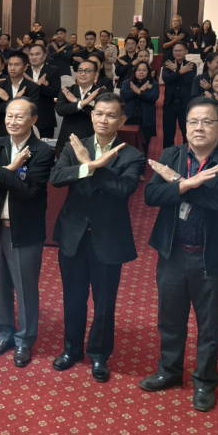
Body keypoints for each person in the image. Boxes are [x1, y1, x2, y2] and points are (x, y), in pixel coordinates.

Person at [140, 96, 218, 412]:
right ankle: (169, 370)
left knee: (209, 326)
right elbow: (151, 195)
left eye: (206, 121)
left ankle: (205, 381)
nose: (199, 127)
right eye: (193, 121)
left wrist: (179, 183)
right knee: (170, 320)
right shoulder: (172, 155)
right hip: (172, 253)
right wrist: (187, 184)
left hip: (210, 258)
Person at [50, 93, 145, 383]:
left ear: (121, 120)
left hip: (108, 237)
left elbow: (123, 189)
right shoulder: (75, 145)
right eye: (99, 114)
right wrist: (87, 165)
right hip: (74, 234)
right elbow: (57, 177)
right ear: (92, 116)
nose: (104, 119)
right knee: (73, 297)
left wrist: (94, 166)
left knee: (104, 302)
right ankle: (71, 349)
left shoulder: (131, 155)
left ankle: (100, 354)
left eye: (111, 115)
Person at [0, 98, 55, 367]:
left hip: (24, 230)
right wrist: (5, 171)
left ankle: (25, 339)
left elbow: (29, 191)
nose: (12, 121)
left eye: (19, 117)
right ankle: (4, 333)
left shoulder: (42, 151)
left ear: (33, 120)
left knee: (25, 288)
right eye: (9, 116)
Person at [55, 60, 106, 156]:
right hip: (67, 141)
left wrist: (76, 101)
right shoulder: (67, 90)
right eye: (80, 70)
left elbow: (99, 113)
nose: (83, 74)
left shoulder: (101, 92)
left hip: (91, 141)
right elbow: (60, 110)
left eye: (87, 71)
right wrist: (82, 103)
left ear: (96, 74)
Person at [161, 42, 198, 147]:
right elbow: (167, 79)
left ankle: (187, 155)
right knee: (168, 134)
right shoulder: (167, 64)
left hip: (185, 104)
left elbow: (187, 80)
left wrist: (175, 70)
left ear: (186, 51)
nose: (177, 53)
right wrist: (180, 71)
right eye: (175, 50)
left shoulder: (191, 65)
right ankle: (168, 155)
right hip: (169, 104)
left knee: (187, 133)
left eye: (180, 50)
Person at [120, 61, 159, 156]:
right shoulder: (127, 82)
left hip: (146, 118)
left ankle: (142, 161)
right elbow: (124, 96)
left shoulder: (153, 84)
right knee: (128, 144)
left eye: (144, 70)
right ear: (135, 72)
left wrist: (138, 91)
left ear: (148, 72)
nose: (141, 72)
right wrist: (140, 90)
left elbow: (152, 98)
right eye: (139, 70)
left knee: (144, 145)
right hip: (130, 117)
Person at [26, 44, 61, 139]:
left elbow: (55, 92)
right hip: (25, 117)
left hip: (45, 118)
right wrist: (38, 84)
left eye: (37, 54)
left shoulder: (53, 70)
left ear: (45, 56)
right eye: (31, 54)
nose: (34, 57)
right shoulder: (24, 71)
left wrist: (39, 86)